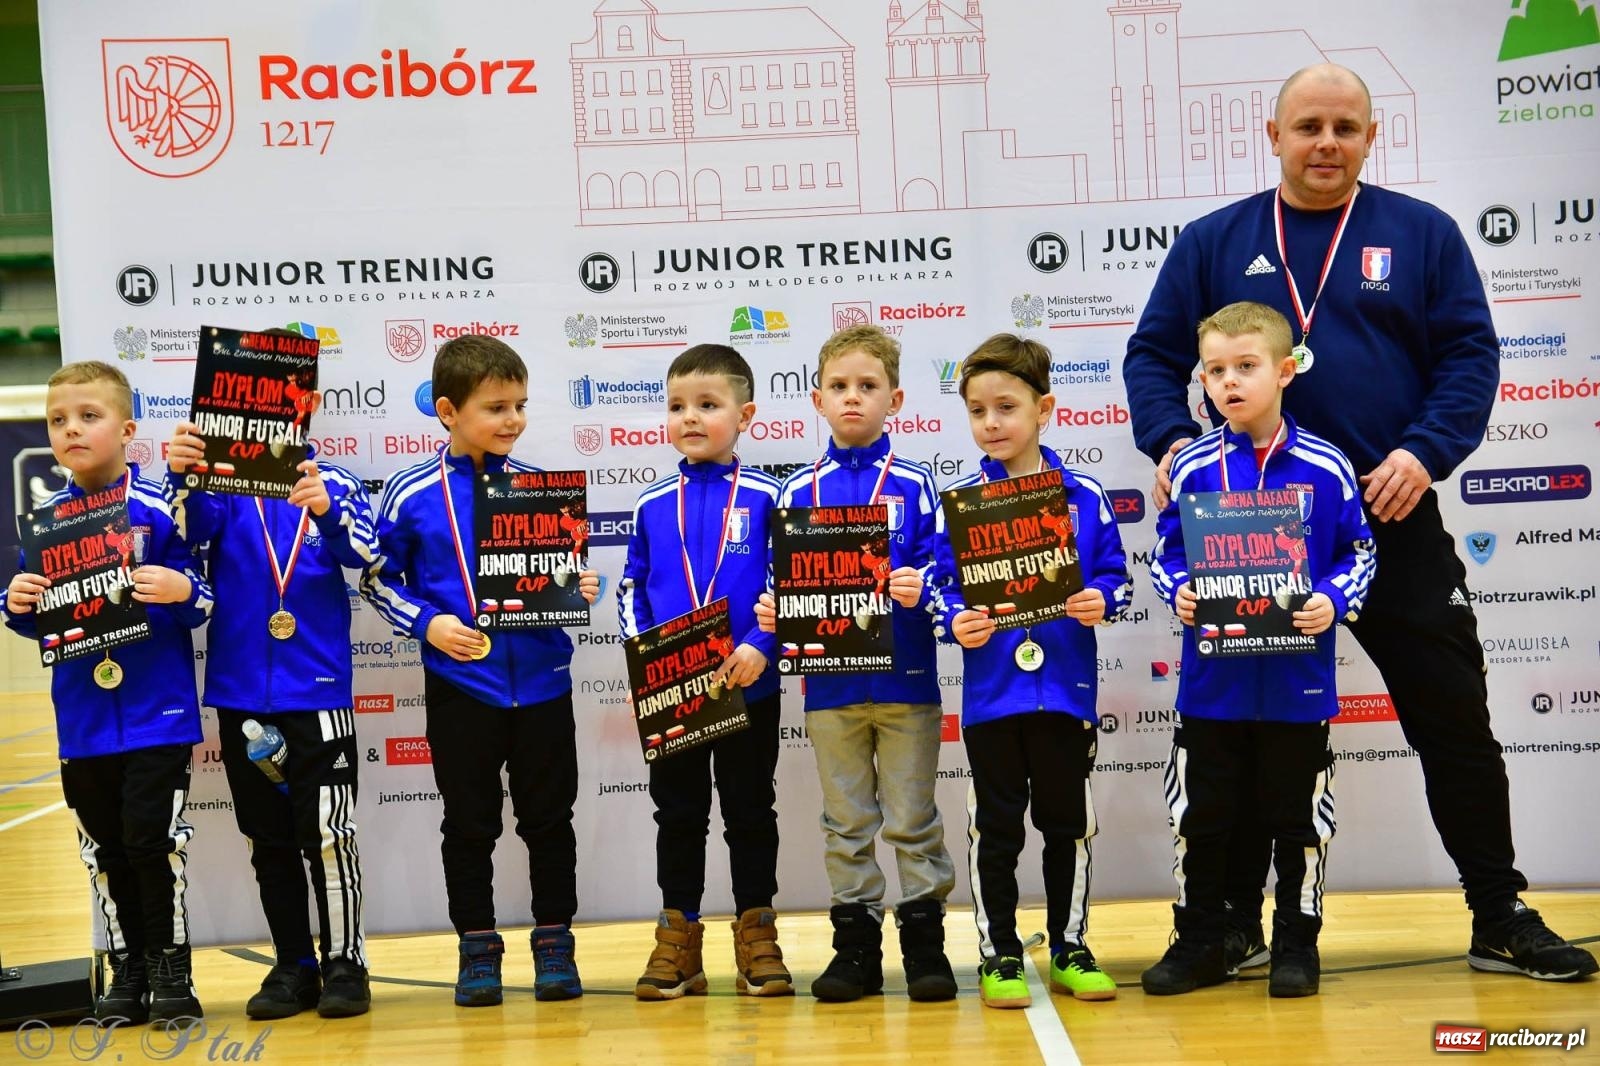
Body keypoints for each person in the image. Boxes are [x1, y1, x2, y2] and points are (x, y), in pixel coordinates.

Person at [1122, 62, 1597, 983]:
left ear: (1371, 136)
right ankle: (1225, 926)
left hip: (1387, 515)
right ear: (1274, 135)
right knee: (1240, 739)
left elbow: (1469, 356)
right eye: (1308, 126)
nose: (1326, 142)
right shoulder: (1213, 240)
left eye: (1345, 126)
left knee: (1455, 718)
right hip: (1242, 528)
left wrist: (1424, 452)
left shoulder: (1420, 234)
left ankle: (1498, 912)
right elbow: (1152, 355)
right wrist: (1176, 442)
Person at [1142, 301, 1376, 998]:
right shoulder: (1188, 469)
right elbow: (1165, 553)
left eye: (1245, 367)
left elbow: (1358, 550)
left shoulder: (1326, 465)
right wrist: (1180, 589)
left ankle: (1295, 947)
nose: (1229, 383)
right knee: (1203, 818)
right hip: (1211, 687)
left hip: (1299, 686)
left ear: (1285, 369)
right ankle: (1201, 942)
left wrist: (1333, 598)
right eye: (1215, 371)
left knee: (1297, 818)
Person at [362, 334, 601, 1006]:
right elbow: (378, 582)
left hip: (546, 684)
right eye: (496, 407)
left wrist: (582, 587)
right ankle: (477, 949)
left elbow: (569, 579)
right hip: (463, 687)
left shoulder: (541, 491)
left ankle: (555, 944)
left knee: (550, 821)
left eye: (520, 405)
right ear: (448, 409)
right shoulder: (410, 493)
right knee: (469, 824)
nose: (513, 420)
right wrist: (428, 623)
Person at [753, 323, 958, 1003]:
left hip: (906, 681)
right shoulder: (794, 493)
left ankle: (927, 947)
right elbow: (780, 584)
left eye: (867, 387)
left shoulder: (918, 484)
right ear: (815, 399)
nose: (852, 399)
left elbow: (947, 574)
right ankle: (855, 951)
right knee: (846, 823)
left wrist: (920, 584)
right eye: (839, 387)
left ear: (895, 399)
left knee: (911, 817)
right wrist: (774, 613)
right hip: (831, 689)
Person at [3, 361, 212, 1023]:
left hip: (158, 714)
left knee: (155, 843)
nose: (71, 431)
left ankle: (171, 970)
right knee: (104, 850)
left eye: (87, 417)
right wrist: (13, 603)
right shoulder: (43, 523)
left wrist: (181, 591)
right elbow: (30, 613)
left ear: (126, 429)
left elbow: (202, 597)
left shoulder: (157, 510)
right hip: (84, 718)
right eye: (58, 421)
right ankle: (125, 968)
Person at [930, 334, 1131, 1009]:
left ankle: (1070, 944)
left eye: (1006, 408)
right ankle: (1000, 953)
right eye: (978, 411)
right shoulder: (958, 503)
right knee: (997, 829)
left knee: (1066, 823)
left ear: (1044, 408)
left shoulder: (1083, 494)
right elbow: (941, 588)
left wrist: (1102, 599)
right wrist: (953, 618)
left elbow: (1116, 579)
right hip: (992, 695)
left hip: (1066, 692)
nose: (992, 424)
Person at [165, 382, 378, 1019]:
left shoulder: (334, 480)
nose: (270, 417)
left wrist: (329, 512)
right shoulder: (221, 491)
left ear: (305, 410)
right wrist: (183, 476)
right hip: (241, 698)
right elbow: (179, 539)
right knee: (268, 837)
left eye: (287, 403)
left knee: (330, 834)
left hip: (319, 695)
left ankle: (346, 962)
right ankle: (294, 964)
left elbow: (368, 556)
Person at [617, 343, 790, 1000]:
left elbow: (787, 586)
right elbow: (630, 586)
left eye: (708, 405)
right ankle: (678, 940)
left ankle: (758, 936)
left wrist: (758, 646)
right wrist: (650, 654)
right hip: (674, 690)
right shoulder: (650, 502)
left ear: (745, 414)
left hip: (750, 682)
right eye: (677, 406)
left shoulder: (775, 497)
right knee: (678, 814)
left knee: (751, 812)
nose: (690, 417)